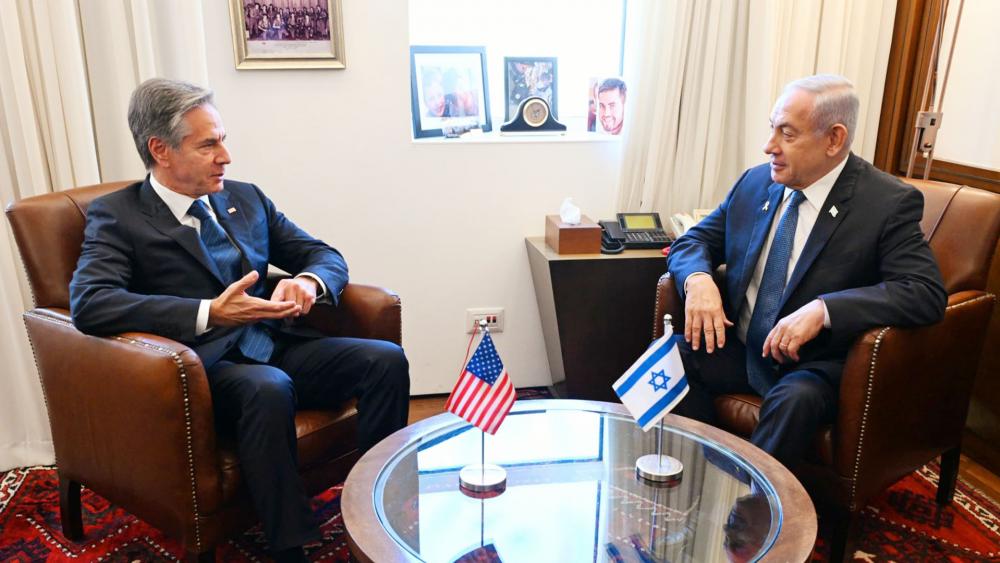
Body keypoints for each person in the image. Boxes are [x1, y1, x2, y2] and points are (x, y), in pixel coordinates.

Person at [69, 78, 410, 563]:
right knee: (266, 387)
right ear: (160, 150)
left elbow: (322, 254)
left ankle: (376, 508)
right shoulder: (118, 217)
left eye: (223, 139)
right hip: (201, 369)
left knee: (384, 361)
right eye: (208, 144)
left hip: (276, 339)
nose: (225, 156)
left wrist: (308, 282)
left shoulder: (245, 198)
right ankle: (290, 545)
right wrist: (208, 313)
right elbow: (90, 302)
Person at [666, 74, 946, 470]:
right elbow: (692, 242)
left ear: (833, 139)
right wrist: (698, 281)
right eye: (772, 128)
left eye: (787, 134)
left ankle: (749, 515)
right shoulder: (755, 182)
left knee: (793, 401)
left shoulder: (886, 204)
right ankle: (699, 474)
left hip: (813, 366)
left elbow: (924, 292)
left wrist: (824, 310)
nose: (769, 146)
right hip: (745, 349)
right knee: (668, 356)